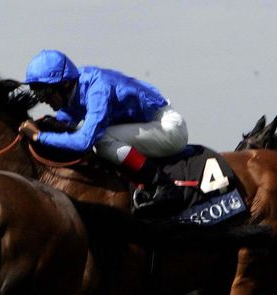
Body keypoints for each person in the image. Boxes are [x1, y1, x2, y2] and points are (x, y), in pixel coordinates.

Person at [18, 49, 188, 214]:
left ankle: (163, 185)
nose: (43, 99)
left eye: (45, 92)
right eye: (37, 93)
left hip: (168, 127)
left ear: (65, 83)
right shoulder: (74, 89)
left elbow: (84, 142)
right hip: (148, 127)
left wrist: (39, 136)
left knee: (101, 140)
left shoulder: (98, 88)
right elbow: (62, 124)